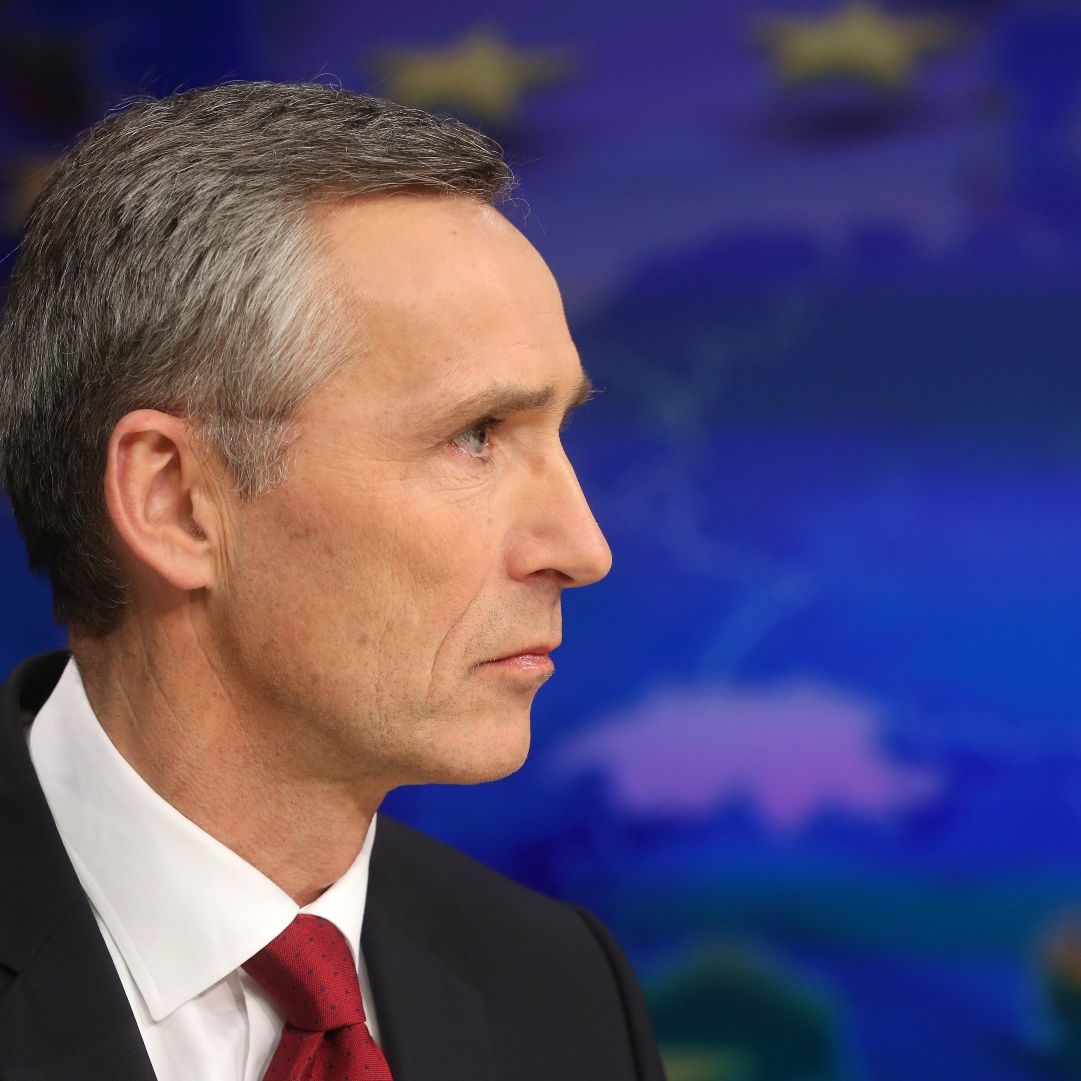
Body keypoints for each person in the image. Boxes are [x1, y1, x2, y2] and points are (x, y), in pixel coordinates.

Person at [0, 81, 666, 1080]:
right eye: (477, 435)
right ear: (176, 500)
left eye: (557, 431)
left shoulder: (561, 988)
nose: (582, 547)